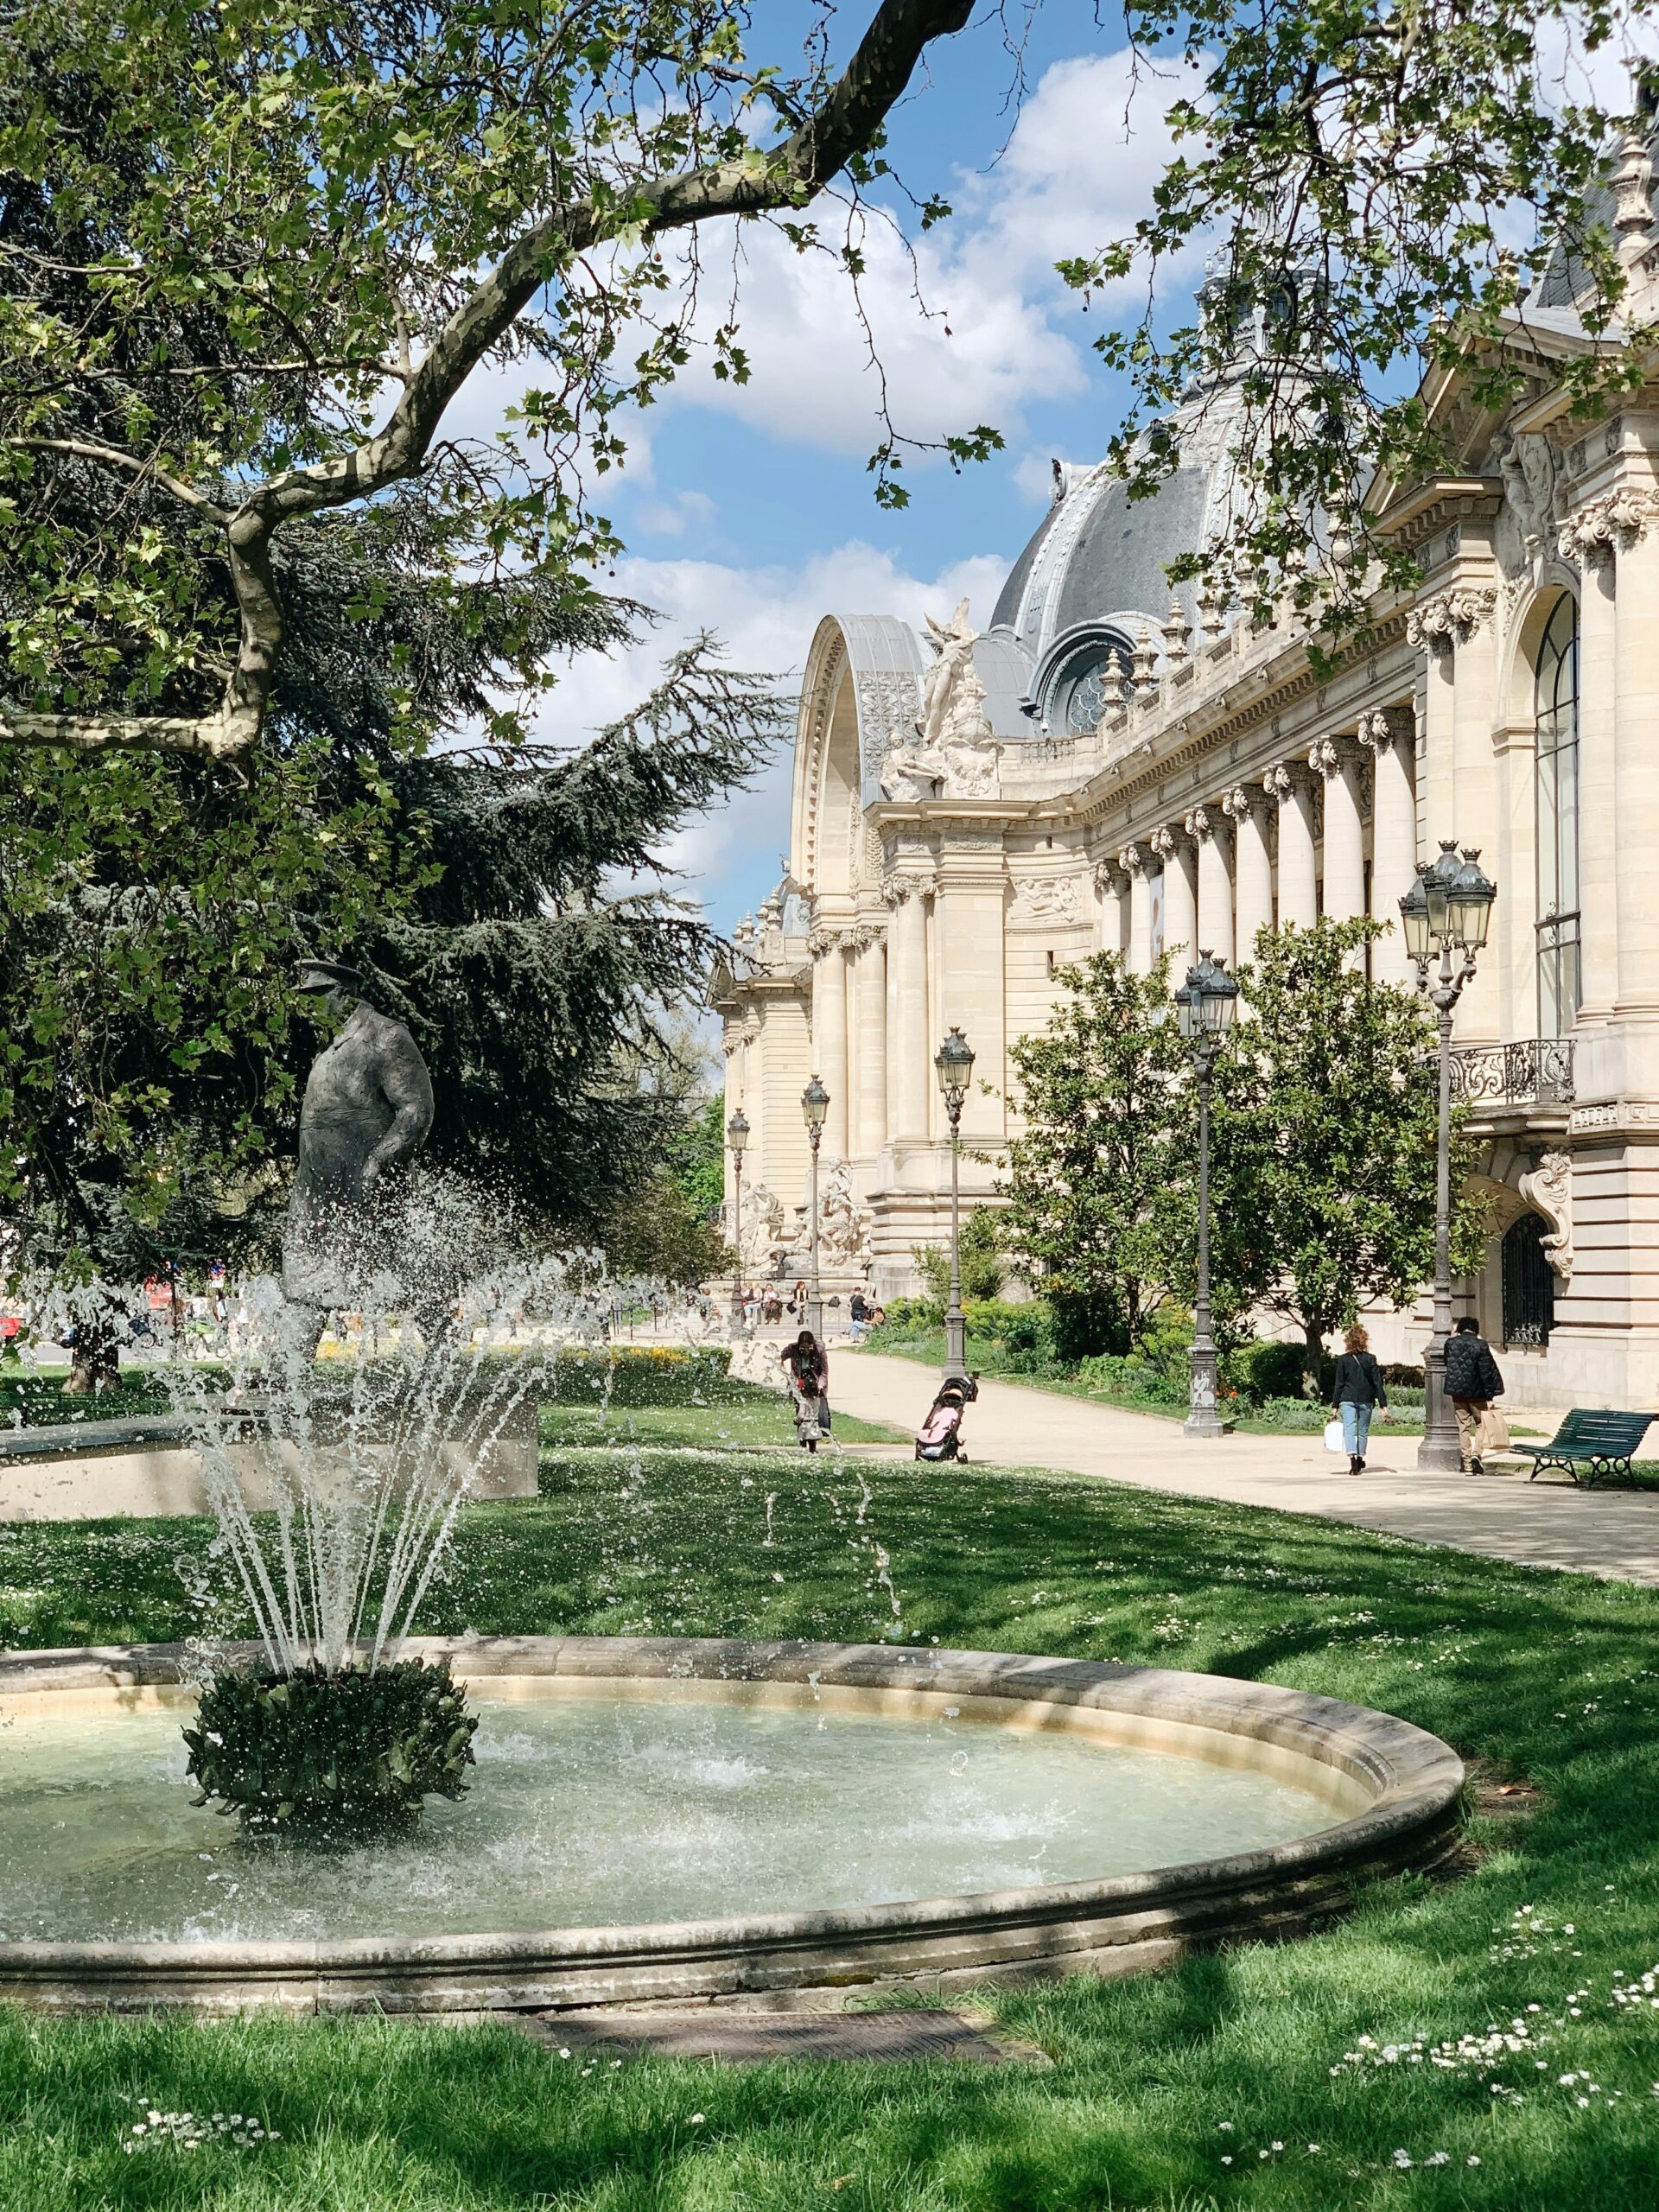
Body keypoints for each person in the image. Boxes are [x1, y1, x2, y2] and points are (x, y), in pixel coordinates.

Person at [1444, 1315, 1504, 1474]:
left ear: (1461, 1328)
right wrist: (1490, 1396)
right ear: (1475, 1329)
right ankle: (1476, 1455)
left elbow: (1447, 1363)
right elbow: (1486, 1372)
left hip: (1458, 1393)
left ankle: (1467, 1464)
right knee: (1481, 1425)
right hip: (1478, 1393)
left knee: (1463, 1427)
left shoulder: (1450, 1344)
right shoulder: (1481, 1345)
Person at [1328, 1322, 1389, 1476]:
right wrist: (1383, 1403)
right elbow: (1377, 1382)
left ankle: (1353, 1460)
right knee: (1362, 1431)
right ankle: (1361, 1456)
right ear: (1365, 1340)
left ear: (1348, 1341)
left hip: (1347, 1398)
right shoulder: (1370, 1359)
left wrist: (1335, 1405)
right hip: (1366, 1399)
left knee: (1349, 1429)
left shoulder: (1343, 1360)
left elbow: (1339, 1384)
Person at [780, 1328, 830, 1454]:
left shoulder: (819, 1350)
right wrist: (786, 1374)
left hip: (814, 1380)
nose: (806, 1351)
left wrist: (820, 1386)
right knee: (801, 1408)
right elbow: (779, 1357)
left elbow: (824, 1371)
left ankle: (809, 1447)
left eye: (809, 1348)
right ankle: (806, 1446)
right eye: (803, 1348)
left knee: (809, 1413)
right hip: (799, 1380)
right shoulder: (793, 1349)